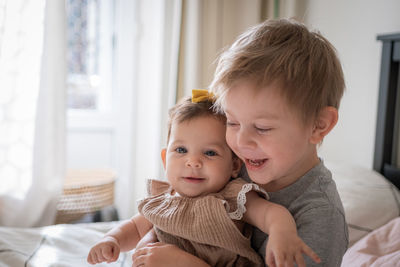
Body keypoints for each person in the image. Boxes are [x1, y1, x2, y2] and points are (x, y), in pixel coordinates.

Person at [132, 18, 349, 267]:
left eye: (262, 127)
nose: (240, 141)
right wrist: (150, 242)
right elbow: (180, 212)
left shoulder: (320, 217)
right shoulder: (238, 165)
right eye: (232, 122)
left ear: (318, 125)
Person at [87, 90, 320, 267]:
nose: (193, 162)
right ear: (164, 159)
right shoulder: (162, 199)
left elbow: (272, 213)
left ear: (234, 165)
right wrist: (111, 241)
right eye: (180, 150)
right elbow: (134, 228)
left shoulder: (233, 198)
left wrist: (282, 234)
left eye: (210, 153)